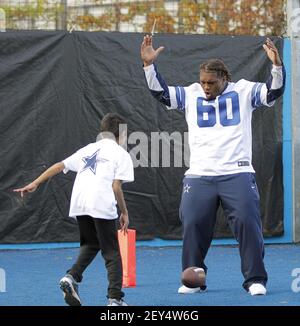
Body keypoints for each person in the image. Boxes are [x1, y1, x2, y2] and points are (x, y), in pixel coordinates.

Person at [141, 35, 285, 296]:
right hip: (200, 174)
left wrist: (276, 66)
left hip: (237, 172)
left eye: (211, 82)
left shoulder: (243, 91)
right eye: (203, 82)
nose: (205, 87)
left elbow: (273, 91)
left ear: (224, 78)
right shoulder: (191, 93)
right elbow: (161, 93)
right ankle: (193, 279)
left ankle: (255, 279)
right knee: (193, 223)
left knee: (247, 223)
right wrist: (149, 67)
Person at [14, 113, 134, 306]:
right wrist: (125, 212)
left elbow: (59, 165)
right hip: (100, 202)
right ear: (121, 135)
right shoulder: (122, 154)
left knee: (91, 244)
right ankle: (115, 299)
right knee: (112, 253)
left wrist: (35, 182)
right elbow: (116, 187)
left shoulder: (88, 149)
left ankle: (70, 277)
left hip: (80, 201)